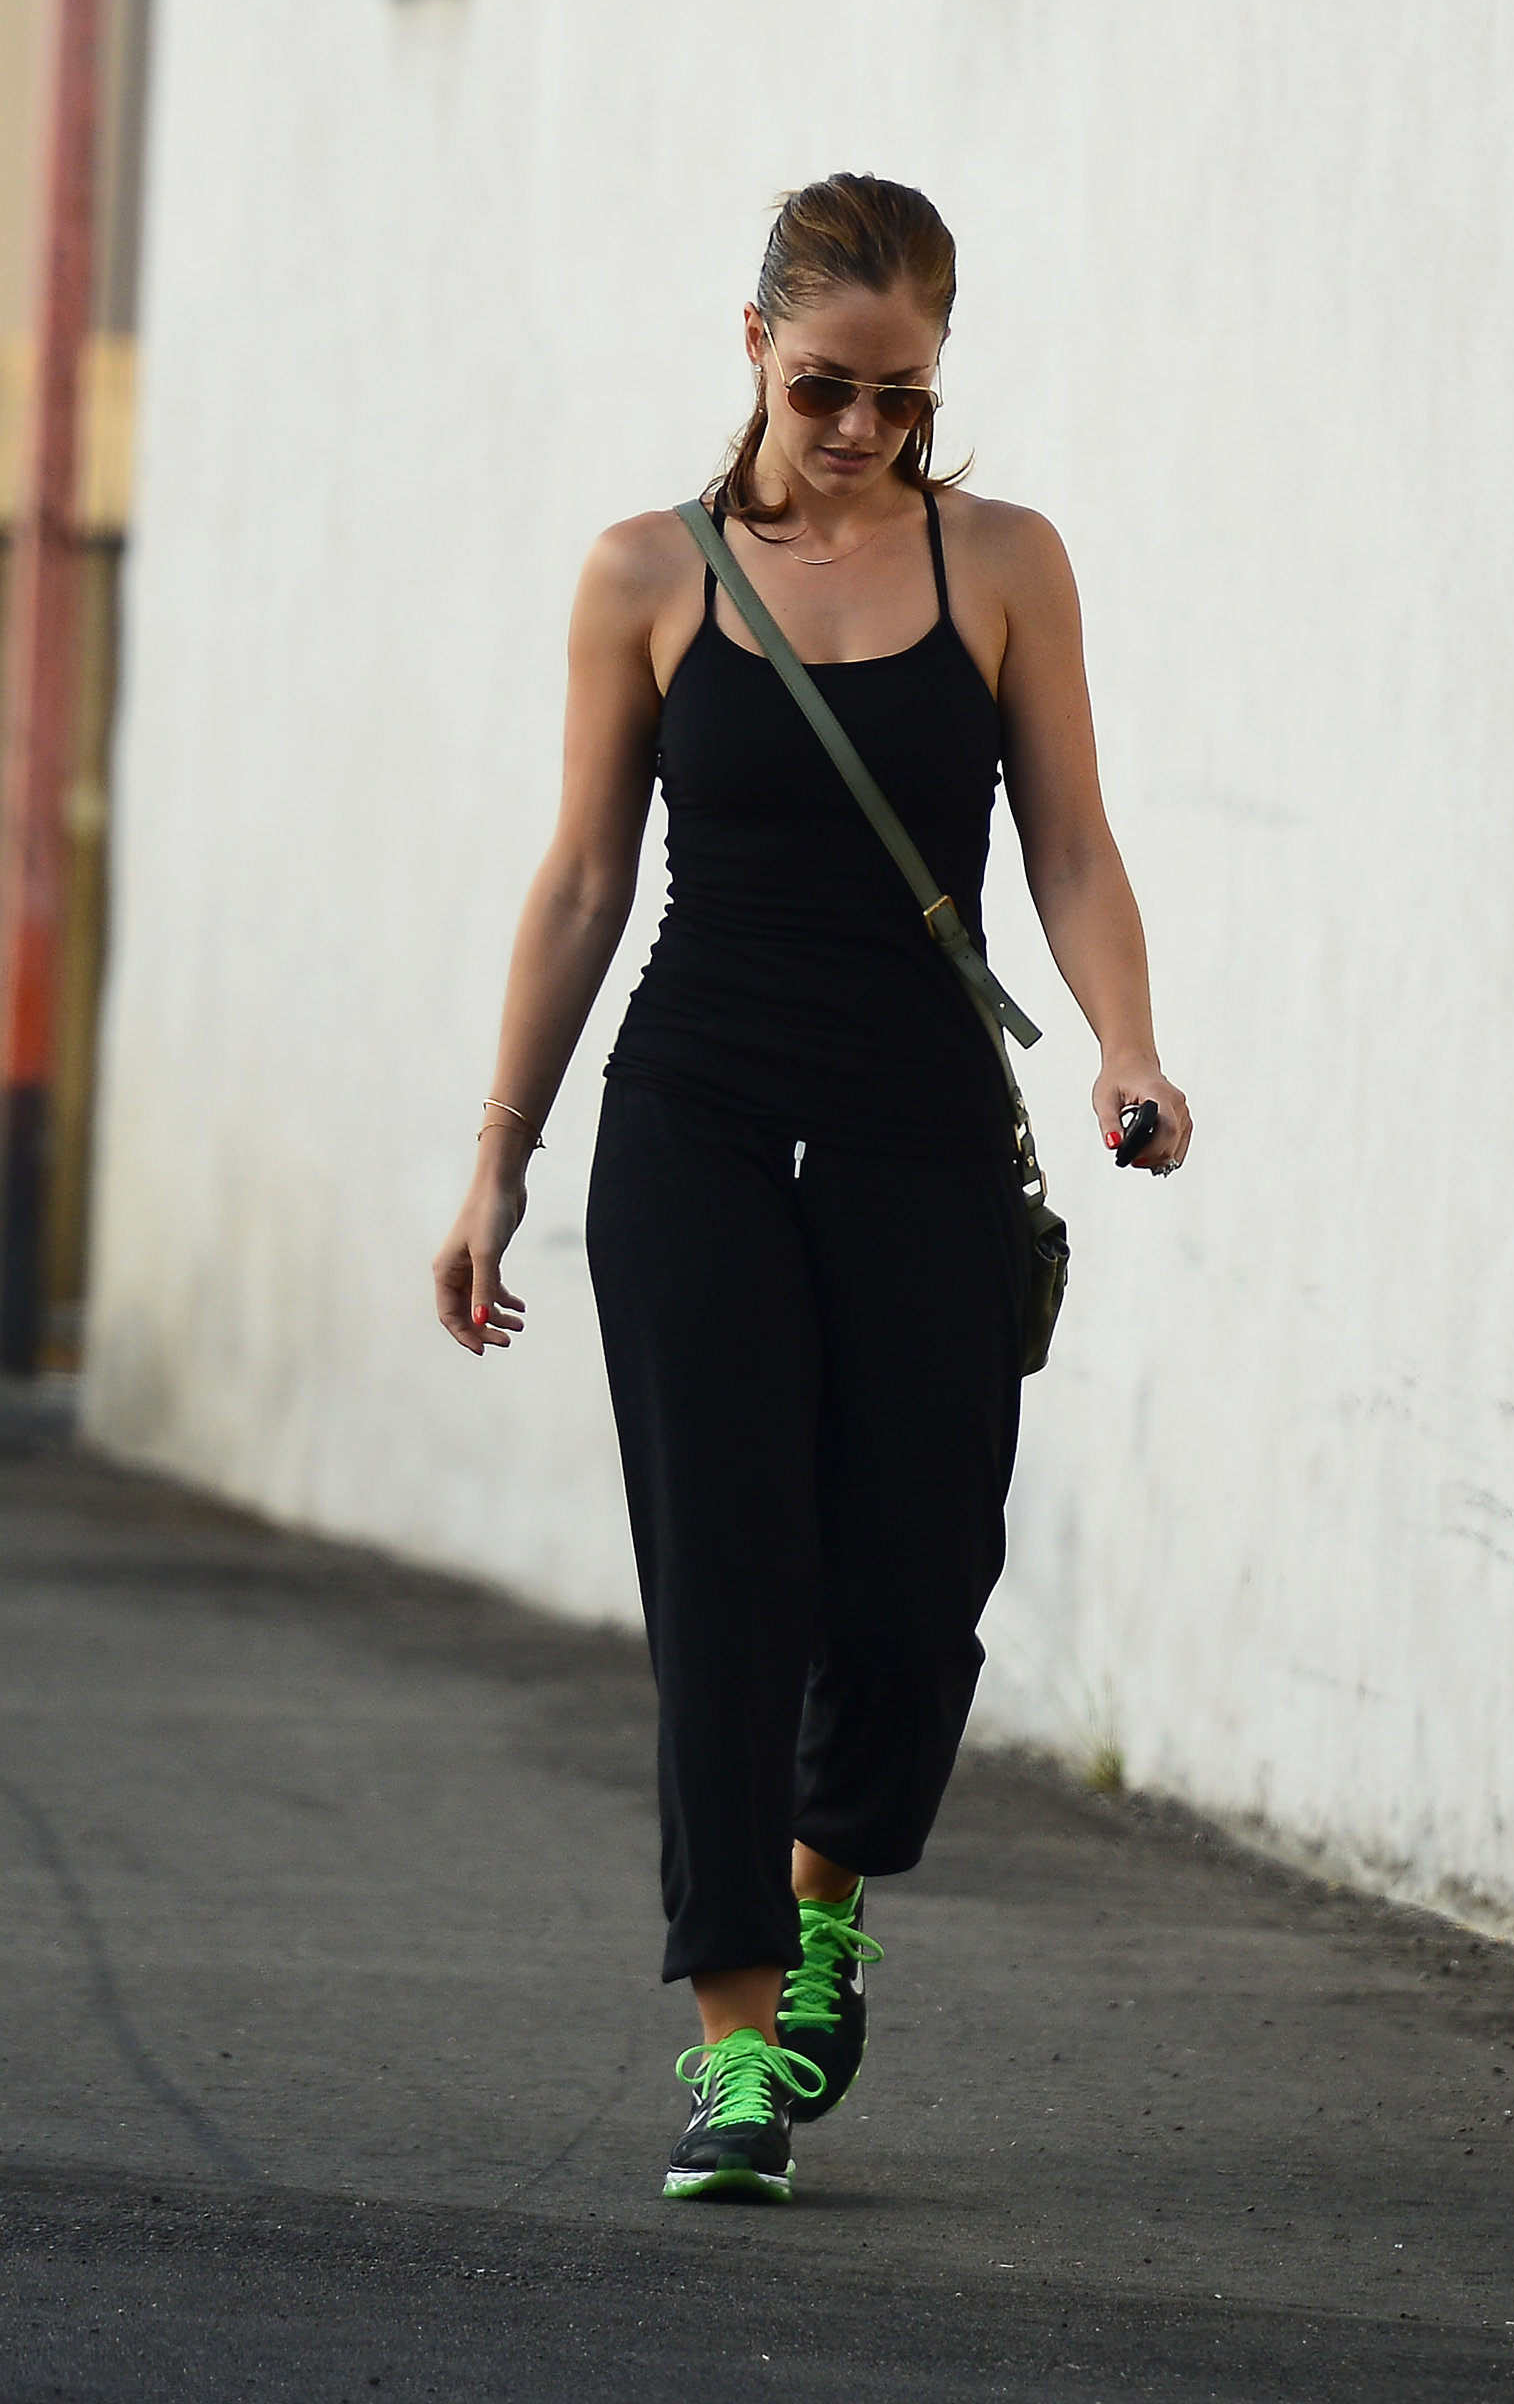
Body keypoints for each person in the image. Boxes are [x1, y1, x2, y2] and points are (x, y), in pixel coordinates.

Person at [432, 173, 1191, 2204]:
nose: (859, 428)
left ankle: (828, 1878)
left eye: (901, 394)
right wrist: (498, 1162)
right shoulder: (645, 576)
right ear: (753, 348)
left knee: (917, 1584)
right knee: (725, 1586)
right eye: (824, 387)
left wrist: (1124, 1044)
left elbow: (1073, 845)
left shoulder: (1004, 564)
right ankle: (736, 2051)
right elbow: (584, 882)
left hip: (923, 1128)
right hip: (693, 1121)